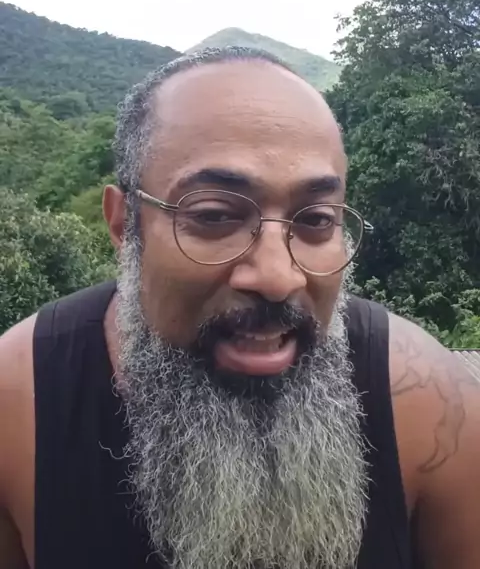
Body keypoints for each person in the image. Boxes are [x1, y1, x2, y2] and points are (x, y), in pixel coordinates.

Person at [0, 46, 479, 569]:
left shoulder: (429, 405)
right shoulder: (18, 408)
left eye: (316, 220)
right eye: (214, 215)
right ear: (124, 224)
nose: (277, 277)